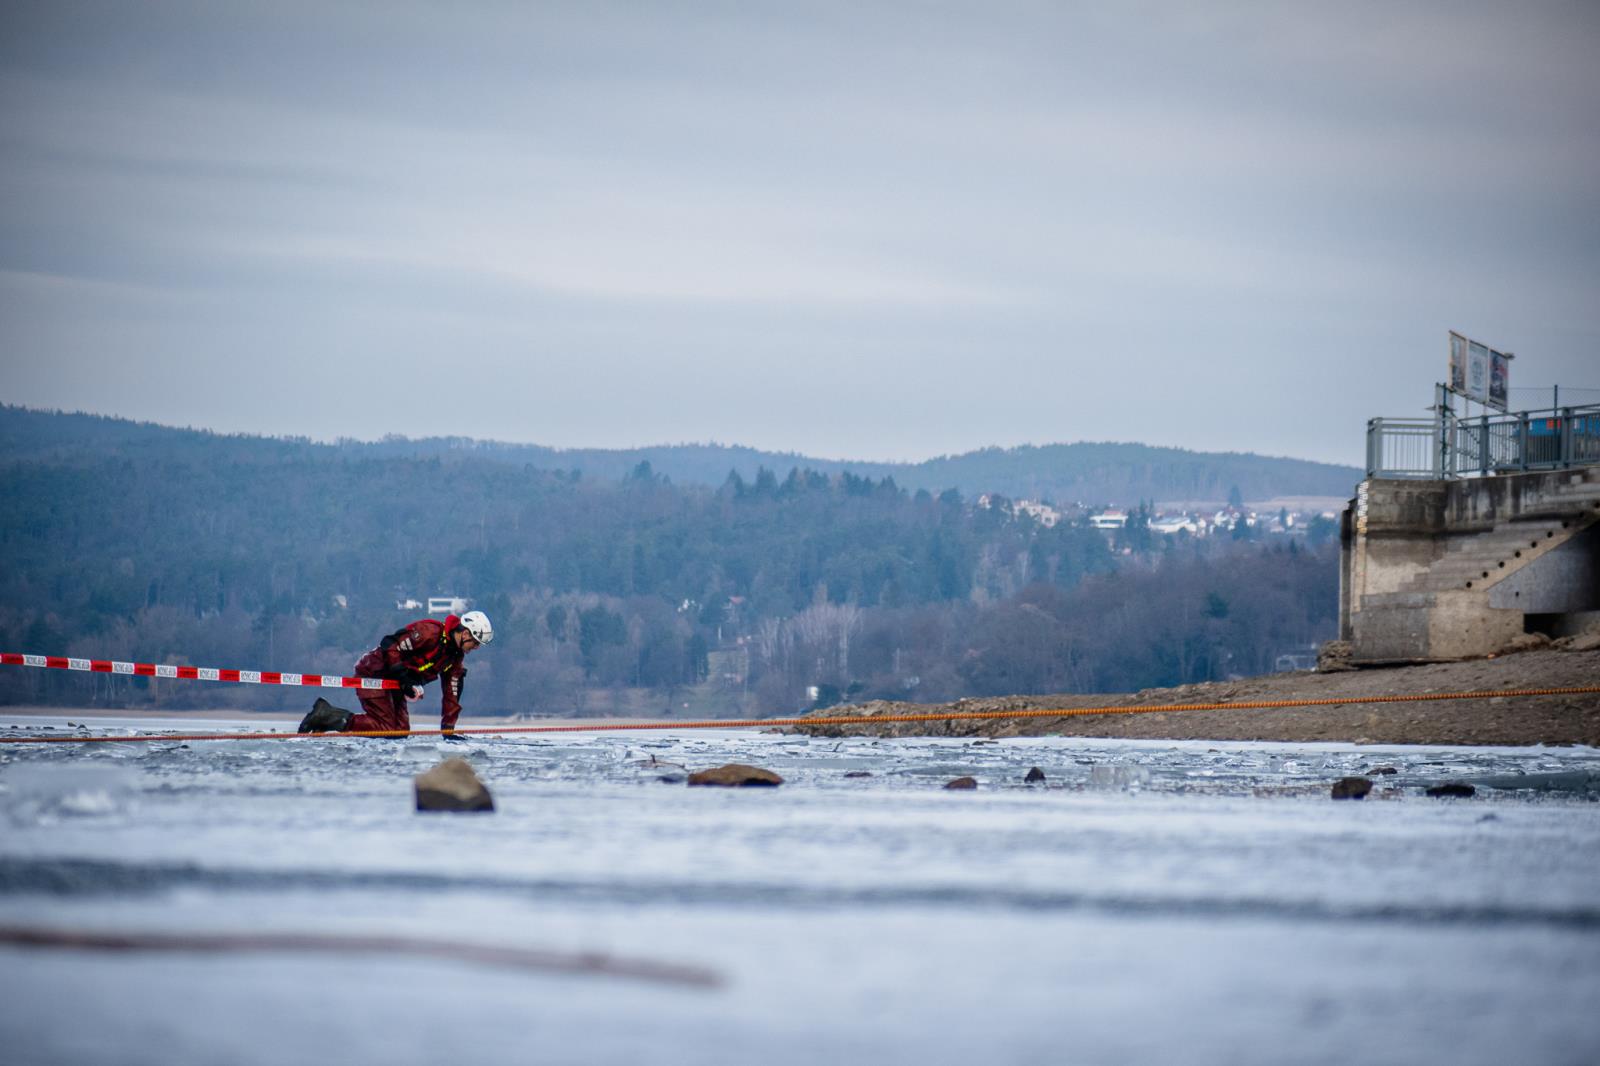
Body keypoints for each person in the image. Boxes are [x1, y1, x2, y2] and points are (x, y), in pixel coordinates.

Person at [299, 611, 493, 735]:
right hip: (373, 672)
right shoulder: (429, 632)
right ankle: (325, 715)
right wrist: (405, 680)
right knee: (385, 727)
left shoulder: (455, 657)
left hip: (397, 683)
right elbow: (390, 645)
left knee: (399, 732)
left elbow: (452, 691)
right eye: (475, 643)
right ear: (466, 633)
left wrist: (448, 728)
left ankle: (326, 724)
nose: (475, 648)